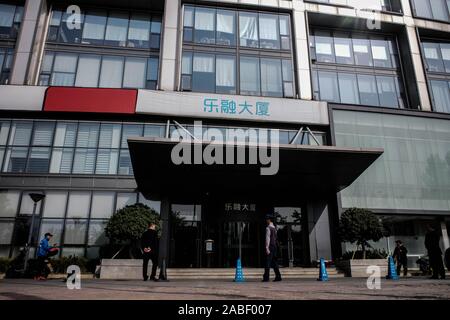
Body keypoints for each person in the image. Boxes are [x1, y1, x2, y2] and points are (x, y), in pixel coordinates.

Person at [262, 215, 282, 282]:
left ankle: (266, 277)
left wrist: (267, 248)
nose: (266, 220)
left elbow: (268, 239)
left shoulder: (268, 228)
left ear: (269, 220)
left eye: (267, 219)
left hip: (270, 246)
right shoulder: (274, 228)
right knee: (274, 262)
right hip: (275, 247)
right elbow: (275, 238)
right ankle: (278, 276)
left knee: (267, 262)